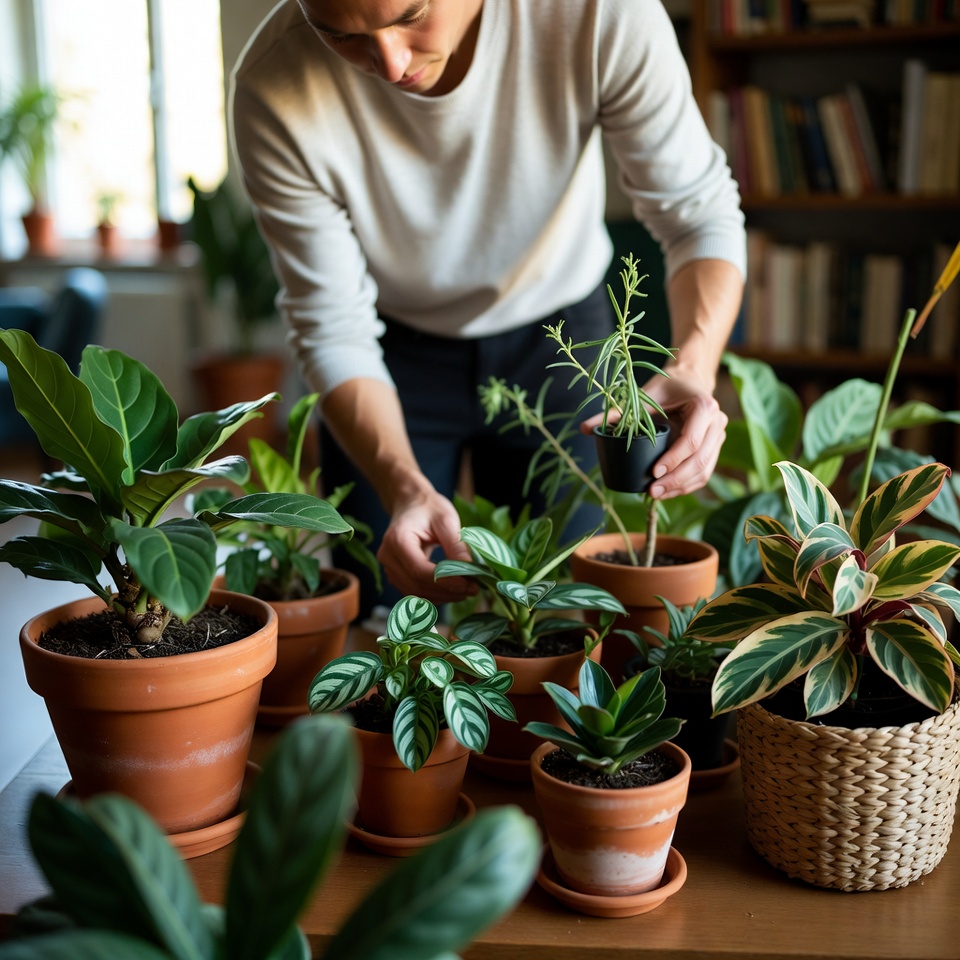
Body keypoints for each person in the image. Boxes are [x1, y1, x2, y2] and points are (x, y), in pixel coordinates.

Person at [229, 0, 746, 618]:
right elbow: (330, 321)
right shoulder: (273, 82)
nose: (391, 65)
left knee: (563, 615)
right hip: (389, 361)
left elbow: (697, 214)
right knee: (387, 609)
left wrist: (693, 365)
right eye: (340, 35)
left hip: (563, 342)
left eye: (411, 15)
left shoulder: (599, 14)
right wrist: (403, 483)